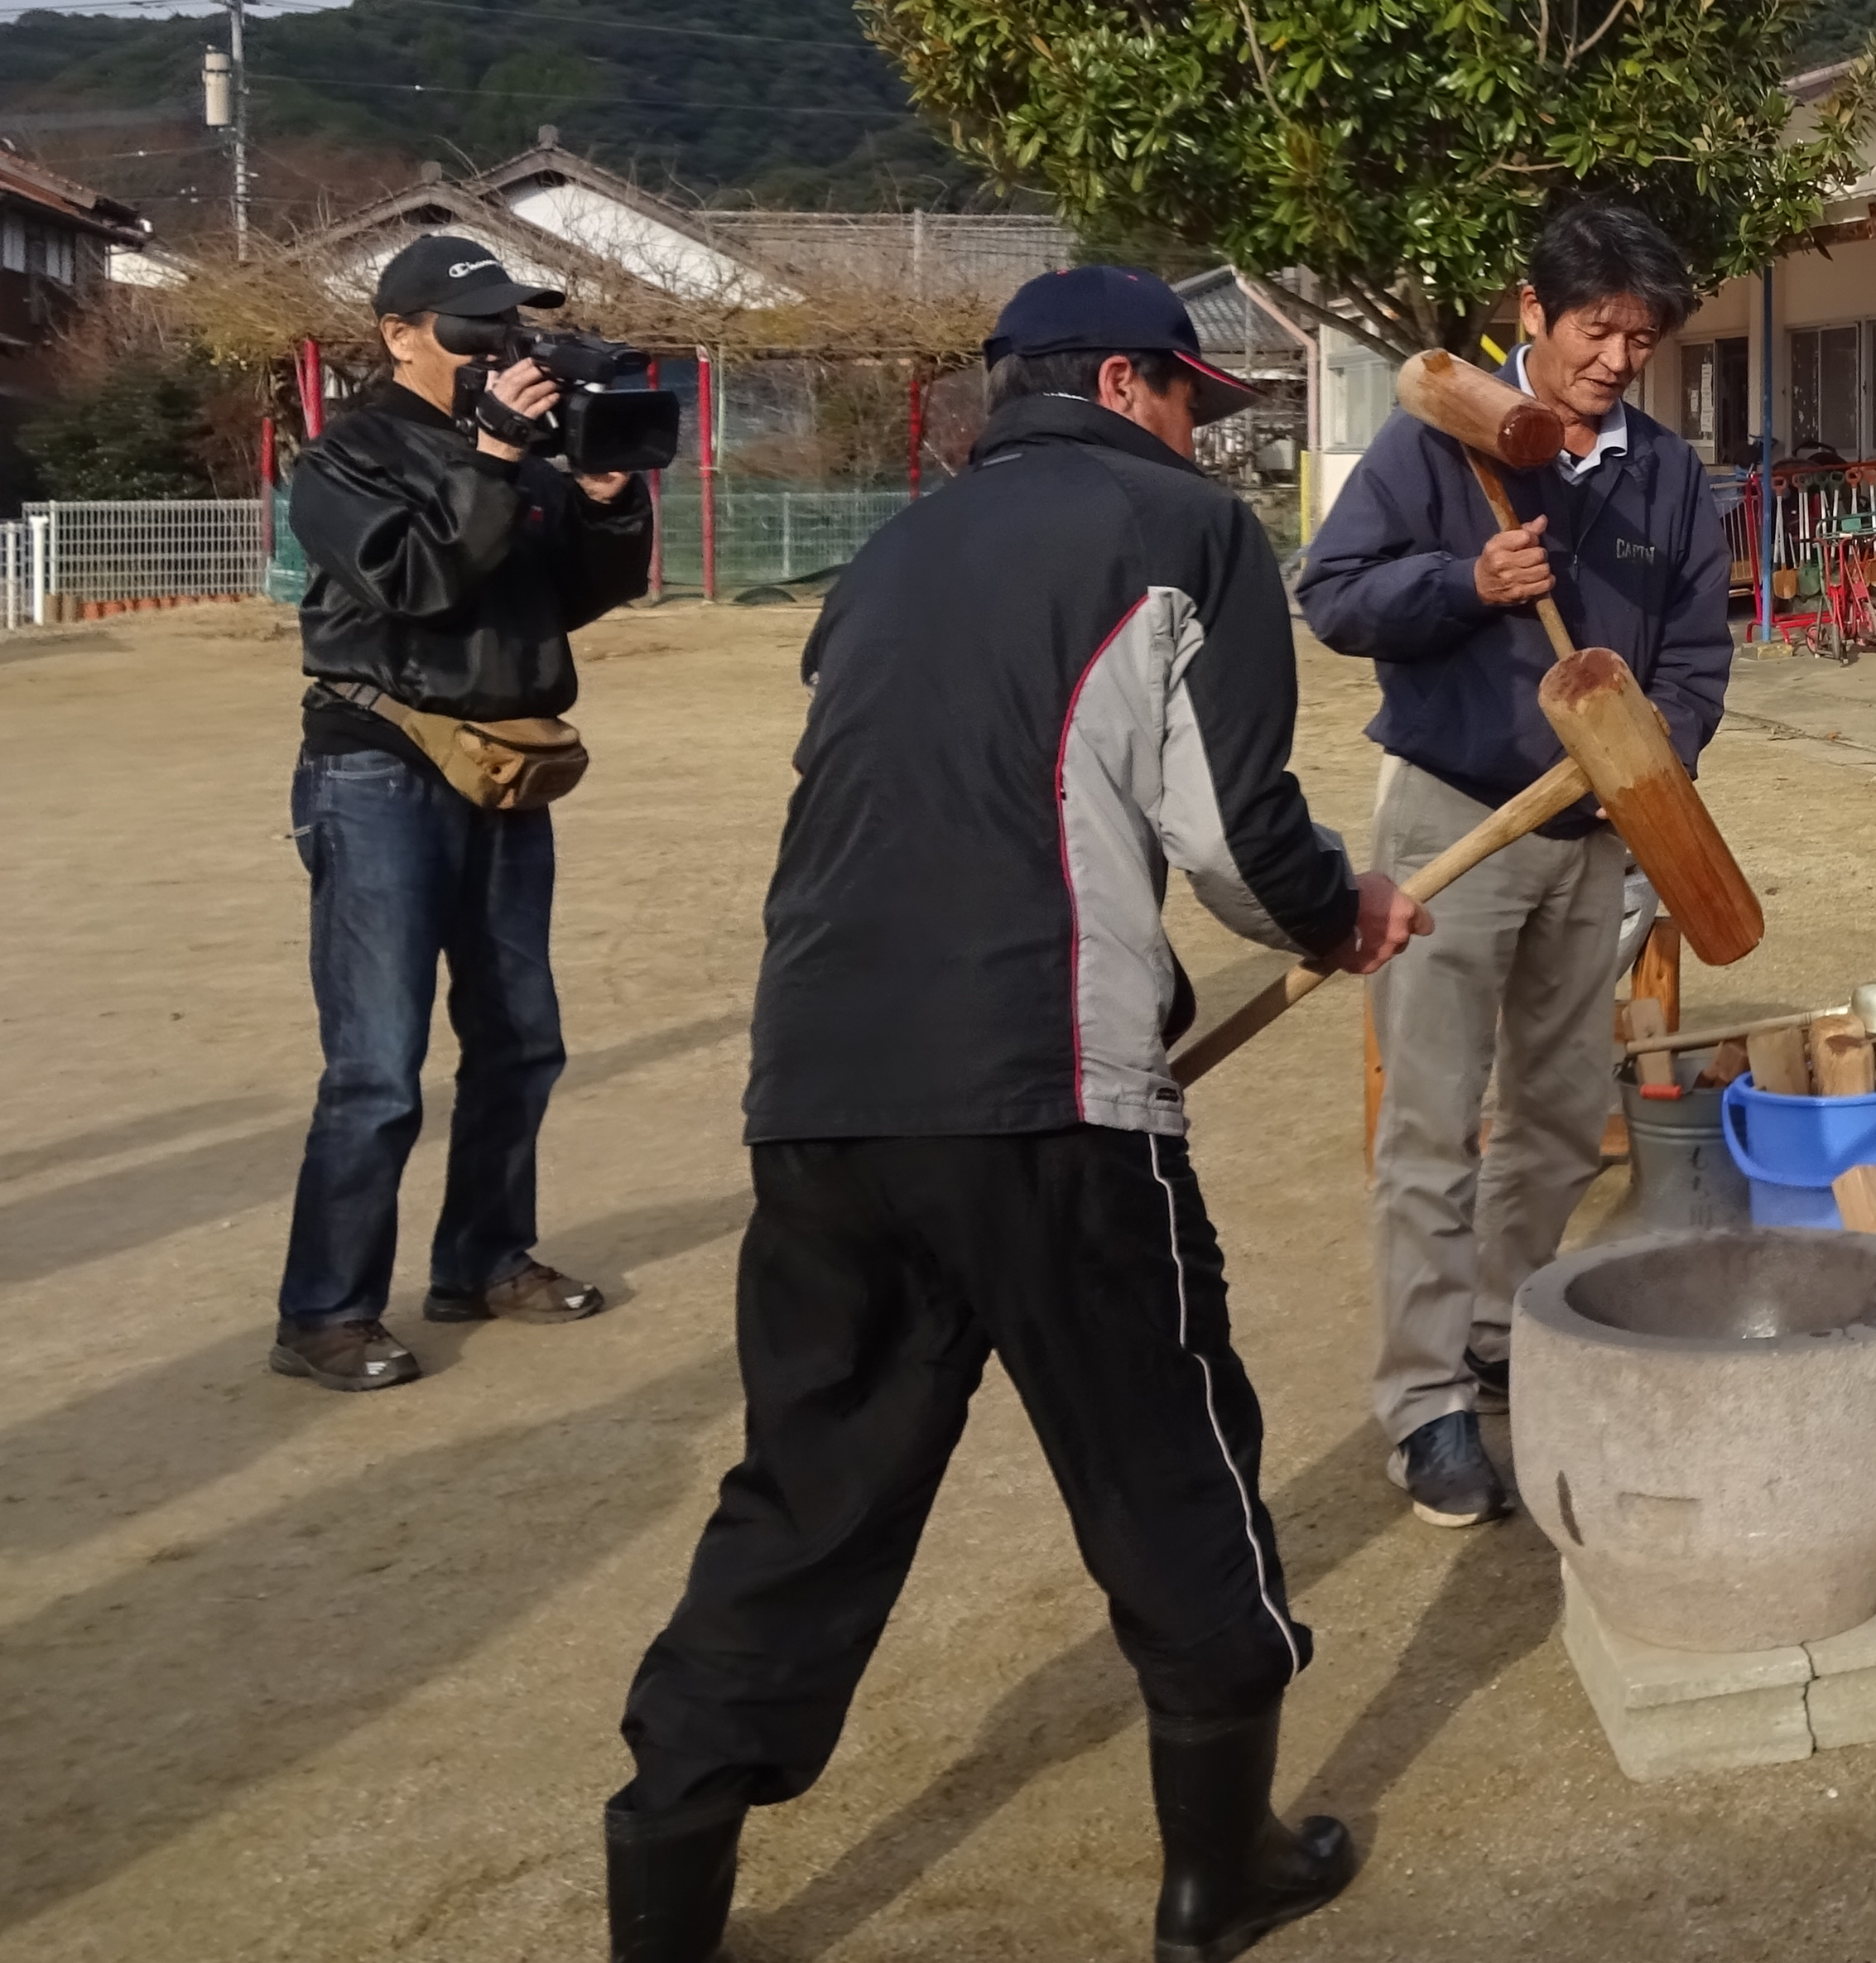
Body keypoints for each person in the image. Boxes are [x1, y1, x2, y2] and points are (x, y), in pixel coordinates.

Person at [605, 267, 1426, 1963]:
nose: (1210, 433)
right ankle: (1218, 1883)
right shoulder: (1182, 531)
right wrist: (1341, 911)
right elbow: (1234, 828)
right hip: (1050, 1094)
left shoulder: (890, 556)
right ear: (1126, 382)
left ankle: (664, 1901)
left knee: (805, 1501)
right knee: (1169, 1470)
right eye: (1198, 398)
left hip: (820, 1091)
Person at [1295, 200, 1732, 1530]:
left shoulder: (1664, 476)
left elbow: (1699, 658)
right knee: (1431, 1121)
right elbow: (1332, 596)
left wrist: (1652, 770)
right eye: (1596, 330)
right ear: (1532, 313)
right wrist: (1461, 583)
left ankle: (1497, 1329)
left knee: (1550, 1114)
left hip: (1597, 830)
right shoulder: (1438, 443)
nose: (1616, 359)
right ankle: (1426, 1406)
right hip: (1454, 820)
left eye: (1639, 339)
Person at [272, 231, 657, 1393]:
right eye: (475, 327)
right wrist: (493, 456)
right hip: (379, 766)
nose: (505, 345)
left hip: (505, 768)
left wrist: (596, 498)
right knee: (379, 1064)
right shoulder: (346, 454)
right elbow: (416, 583)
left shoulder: (522, 451)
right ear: (398, 333)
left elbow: (573, 599)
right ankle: (325, 1311)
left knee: (520, 1039)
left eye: (514, 326)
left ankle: (485, 1258)